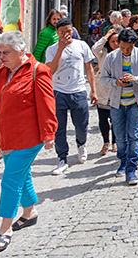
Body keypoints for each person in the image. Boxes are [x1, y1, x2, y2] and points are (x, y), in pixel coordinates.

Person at [0, 31, 57, 254]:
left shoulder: (38, 71)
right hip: (4, 136)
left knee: (10, 180)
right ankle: (29, 213)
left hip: (28, 137)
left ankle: (5, 229)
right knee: (21, 175)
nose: (1, 56)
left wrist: (49, 134)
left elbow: (47, 104)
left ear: (20, 50)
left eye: (5, 52)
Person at [100, 29, 138, 185]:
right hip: (117, 102)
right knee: (119, 136)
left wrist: (135, 79)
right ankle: (122, 162)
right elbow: (103, 79)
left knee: (134, 135)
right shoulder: (111, 57)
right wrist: (115, 82)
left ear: (134, 44)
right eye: (122, 47)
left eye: (128, 48)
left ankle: (131, 169)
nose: (125, 51)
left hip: (136, 102)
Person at [44, 18, 97, 175]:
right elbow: (50, 70)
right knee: (59, 128)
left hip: (78, 90)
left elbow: (89, 69)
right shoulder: (52, 49)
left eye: (69, 31)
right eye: (62, 32)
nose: (66, 35)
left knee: (81, 125)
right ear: (57, 33)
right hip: (58, 91)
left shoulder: (81, 46)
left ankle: (81, 144)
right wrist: (60, 49)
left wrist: (93, 90)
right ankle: (62, 158)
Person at [91, 25, 122, 156]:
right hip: (103, 89)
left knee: (116, 119)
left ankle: (115, 142)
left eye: (117, 41)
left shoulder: (123, 52)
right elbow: (94, 48)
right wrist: (105, 37)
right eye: (112, 41)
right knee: (103, 118)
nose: (115, 44)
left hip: (117, 89)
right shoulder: (103, 52)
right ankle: (105, 142)